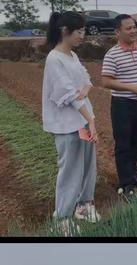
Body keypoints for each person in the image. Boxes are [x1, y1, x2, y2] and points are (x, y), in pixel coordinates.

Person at [42, 11, 100, 235]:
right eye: (79, 31)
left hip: (83, 120)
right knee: (70, 172)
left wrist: (84, 90)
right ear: (65, 31)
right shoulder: (54, 59)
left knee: (88, 167)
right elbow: (67, 95)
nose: (82, 36)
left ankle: (84, 206)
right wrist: (90, 120)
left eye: (83, 31)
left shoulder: (72, 56)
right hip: (68, 125)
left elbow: (86, 80)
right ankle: (62, 217)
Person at [101, 14, 137, 199]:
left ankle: (133, 174)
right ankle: (125, 185)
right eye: (128, 28)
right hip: (121, 105)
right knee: (123, 144)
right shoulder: (112, 54)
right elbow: (106, 81)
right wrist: (131, 87)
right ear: (118, 32)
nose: (133, 31)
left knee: (136, 140)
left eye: (134, 27)